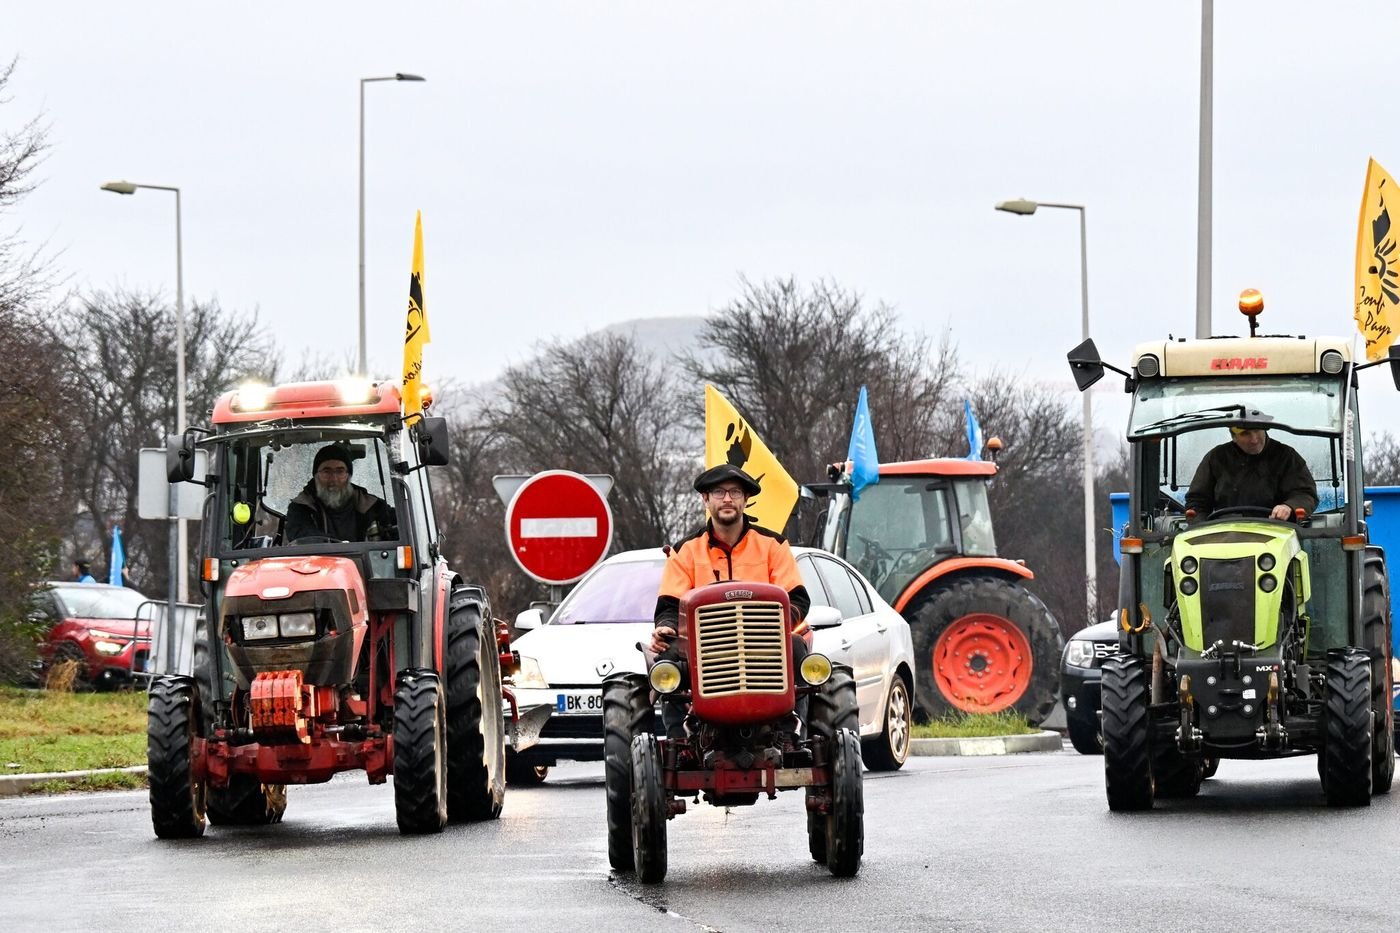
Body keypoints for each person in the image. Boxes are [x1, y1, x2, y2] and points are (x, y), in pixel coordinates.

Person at [651, 463, 812, 737]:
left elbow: (796, 598)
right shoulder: (685, 551)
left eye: (735, 492)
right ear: (706, 499)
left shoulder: (773, 545)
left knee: (797, 648)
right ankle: (680, 740)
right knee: (668, 662)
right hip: (705, 645)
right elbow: (669, 605)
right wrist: (666, 626)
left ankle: (792, 729)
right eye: (718, 492)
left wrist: (775, 626)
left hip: (764, 640)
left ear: (745, 500)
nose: (727, 499)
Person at [1185, 426, 1318, 521]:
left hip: (1278, 531)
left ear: (1265, 429)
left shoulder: (1287, 456)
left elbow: (1306, 494)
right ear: (1234, 437)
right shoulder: (1216, 457)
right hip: (1225, 532)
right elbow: (1197, 501)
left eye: (1257, 430)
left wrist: (1289, 507)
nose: (1254, 439)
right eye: (1245, 433)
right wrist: (1200, 527)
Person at [284, 443, 396, 543]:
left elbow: (401, 526)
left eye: (340, 471)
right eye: (326, 472)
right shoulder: (301, 507)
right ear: (316, 475)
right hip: (320, 565)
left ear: (348, 475)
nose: (334, 479)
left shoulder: (372, 506)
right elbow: (303, 538)